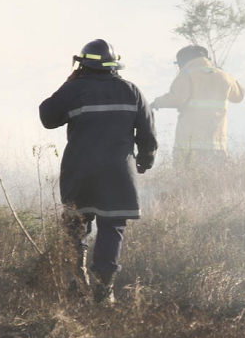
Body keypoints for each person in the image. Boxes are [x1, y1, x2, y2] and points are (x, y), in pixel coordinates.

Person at [39, 39, 157, 303]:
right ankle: (104, 293)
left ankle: (75, 283)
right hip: (117, 173)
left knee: (74, 223)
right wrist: (144, 161)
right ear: (114, 65)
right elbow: (148, 133)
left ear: (82, 65)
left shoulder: (75, 89)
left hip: (79, 171)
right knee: (112, 226)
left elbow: (48, 117)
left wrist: (69, 83)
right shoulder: (131, 91)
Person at [150, 45, 245, 165]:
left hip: (189, 145)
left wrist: (157, 102)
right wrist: (226, 74)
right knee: (214, 182)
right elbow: (239, 96)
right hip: (217, 145)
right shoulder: (224, 76)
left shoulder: (187, 75)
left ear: (184, 61)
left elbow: (176, 98)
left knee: (186, 181)